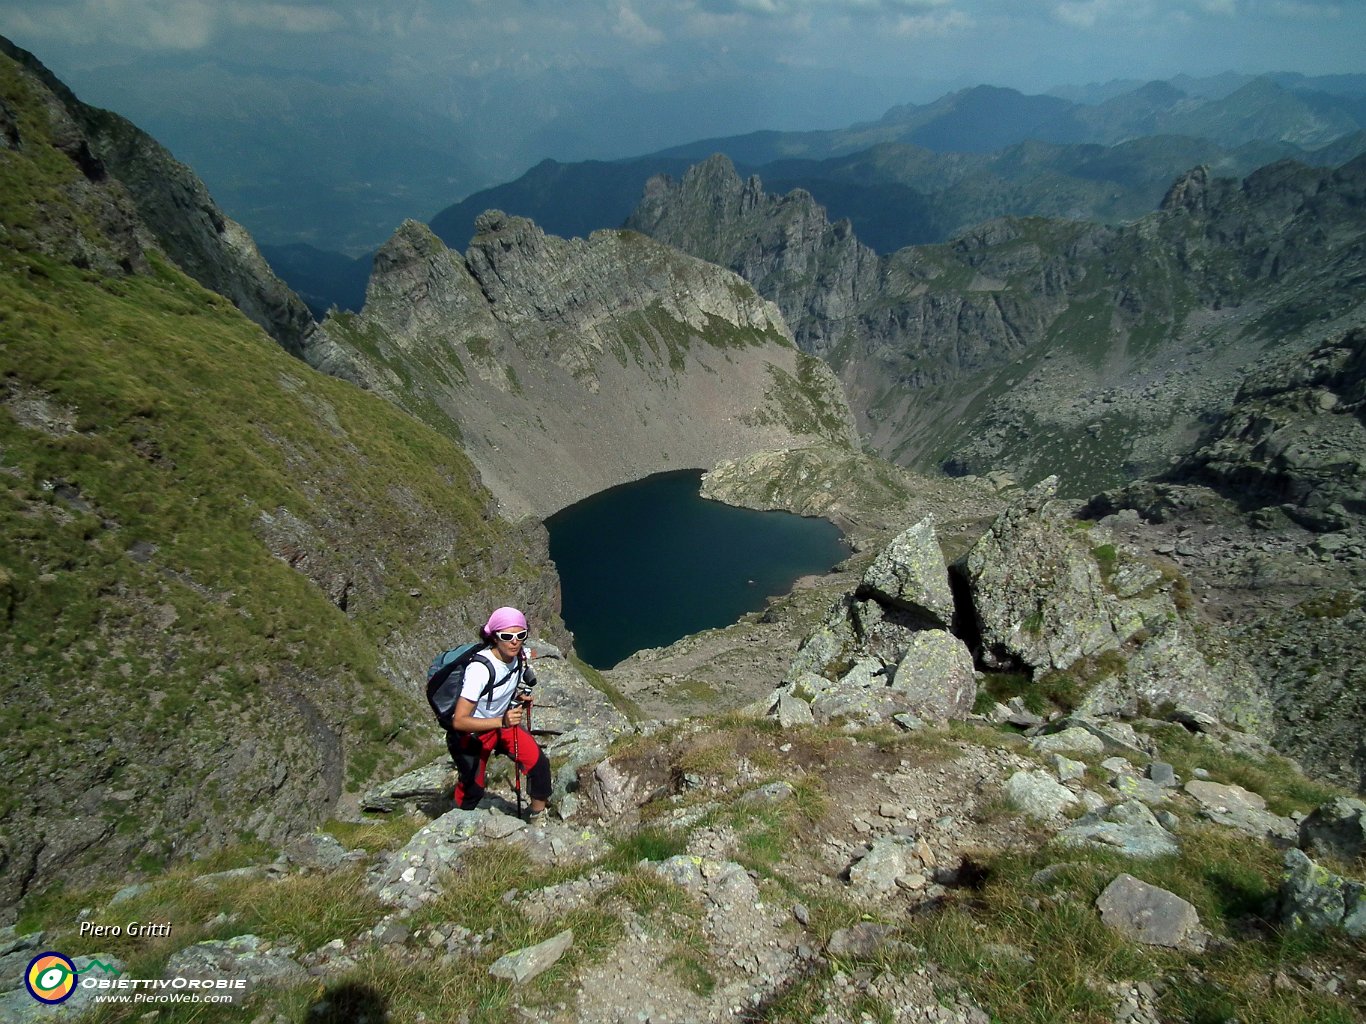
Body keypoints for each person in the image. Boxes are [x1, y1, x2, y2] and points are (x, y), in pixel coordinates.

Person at [432, 606, 551, 822]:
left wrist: (517, 698)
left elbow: (499, 691)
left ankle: (537, 818)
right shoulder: (480, 669)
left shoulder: (519, 655)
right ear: (494, 637)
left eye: (520, 635)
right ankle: (455, 824)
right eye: (507, 636)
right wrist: (501, 721)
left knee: (539, 765)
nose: (514, 641)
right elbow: (459, 720)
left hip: (501, 726)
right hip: (472, 736)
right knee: (473, 790)